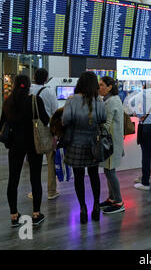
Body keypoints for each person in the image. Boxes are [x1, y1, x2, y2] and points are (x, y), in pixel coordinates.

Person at [0, 74, 49, 227]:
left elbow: (2, 123)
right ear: (29, 85)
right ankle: (36, 214)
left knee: (13, 179)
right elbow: (45, 120)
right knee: (35, 178)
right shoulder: (35, 100)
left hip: (15, 144)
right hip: (34, 144)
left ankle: (14, 215)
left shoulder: (8, 102)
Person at [62, 71, 106, 224]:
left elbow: (65, 120)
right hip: (94, 143)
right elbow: (103, 119)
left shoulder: (72, 100)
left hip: (75, 143)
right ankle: (96, 206)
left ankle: (82, 208)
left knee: (79, 177)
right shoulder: (99, 100)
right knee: (94, 176)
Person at [28, 68, 59, 200]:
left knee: (34, 162)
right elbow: (55, 112)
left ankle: (35, 191)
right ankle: (51, 191)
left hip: (31, 130)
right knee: (50, 160)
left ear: (34, 77)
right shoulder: (49, 92)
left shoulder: (29, 91)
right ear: (46, 79)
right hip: (47, 130)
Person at [98, 76, 125, 214]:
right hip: (113, 142)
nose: (99, 87)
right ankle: (111, 198)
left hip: (111, 143)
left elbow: (106, 125)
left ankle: (119, 202)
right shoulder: (110, 100)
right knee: (108, 170)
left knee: (110, 171)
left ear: (109, 87)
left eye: (102, 85)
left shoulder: (111, 101)